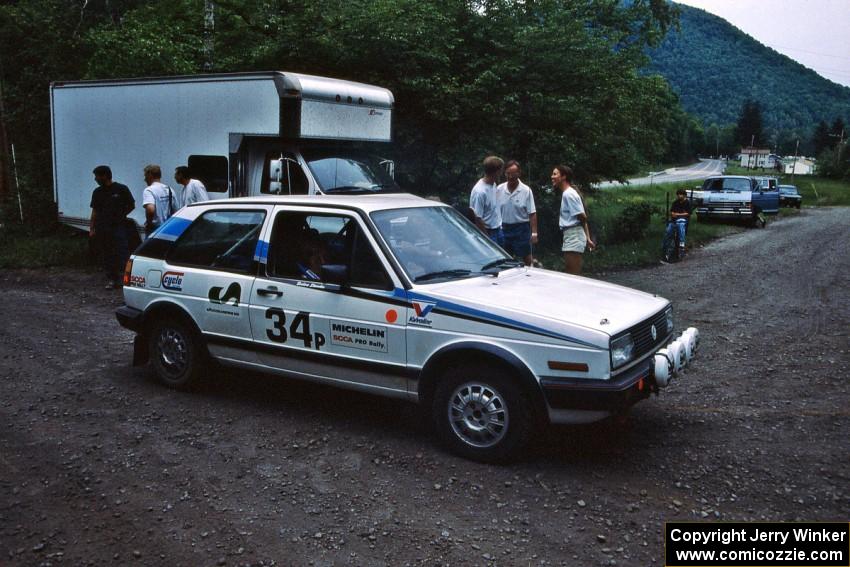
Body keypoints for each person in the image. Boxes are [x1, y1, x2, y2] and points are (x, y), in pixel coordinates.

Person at [89, 165, 135, 289]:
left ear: (104, 175)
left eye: (97, 176)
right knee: (107, 253)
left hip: (118, 227)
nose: (95, 179)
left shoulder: (121, 189)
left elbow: (131, 205)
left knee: (123, 252)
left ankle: (128, 279)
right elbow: (95, 211)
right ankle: (112, 280)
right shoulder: (97, 192)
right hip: (103, 228)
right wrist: (92, 228)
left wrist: (122, 214)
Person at [552, 164, 595, 275]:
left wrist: (586, 237)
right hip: (571, 234)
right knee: (571, 273)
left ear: (563, 177)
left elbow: (582, 217)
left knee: (573, 275)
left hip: (574, 235)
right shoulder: (567, 193)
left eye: (555, 174)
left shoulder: (568, 194)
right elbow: (581, 218)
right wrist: (588, 238)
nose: (552, 177)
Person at [497, 160, 538, 265]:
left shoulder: (526, 190)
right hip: (504, 228)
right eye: (508, 174)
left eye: (513, 174)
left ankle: (532, 275)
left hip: (521, 228)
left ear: (519, 173)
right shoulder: (499, 189)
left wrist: (534, 233)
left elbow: (532, 213)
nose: (510, 176)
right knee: (504, 258)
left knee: (527, 257)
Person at [469, 156, 504, 245]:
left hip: (498, 229)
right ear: (496, 172)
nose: (502, 173)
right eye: (501, 171)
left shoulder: (494, 184)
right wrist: (487, 239)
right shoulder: (480, 191)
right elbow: (477, 218)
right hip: (487, 232)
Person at [142, 164, 178, 237]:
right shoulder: (170, 189)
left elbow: (150, 209)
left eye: (145, 176)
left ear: (150, 175)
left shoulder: (149, 190)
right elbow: (176, 211)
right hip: (168, 228)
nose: (144, 179)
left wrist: (148, 224)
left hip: (155, 229)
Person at [662, 188, 692, 258]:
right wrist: (672, 214)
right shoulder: (675, 202)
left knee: (681, 226)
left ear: (684, 195)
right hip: (674, 220)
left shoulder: (687, 203)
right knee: (668, 231)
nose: (679, 196)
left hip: (683, 220)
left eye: (681, 194)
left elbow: (688, 213)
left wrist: (678, 214)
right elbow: (672, 211)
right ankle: (665, 248)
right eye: (678, 194)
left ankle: (681, 246)